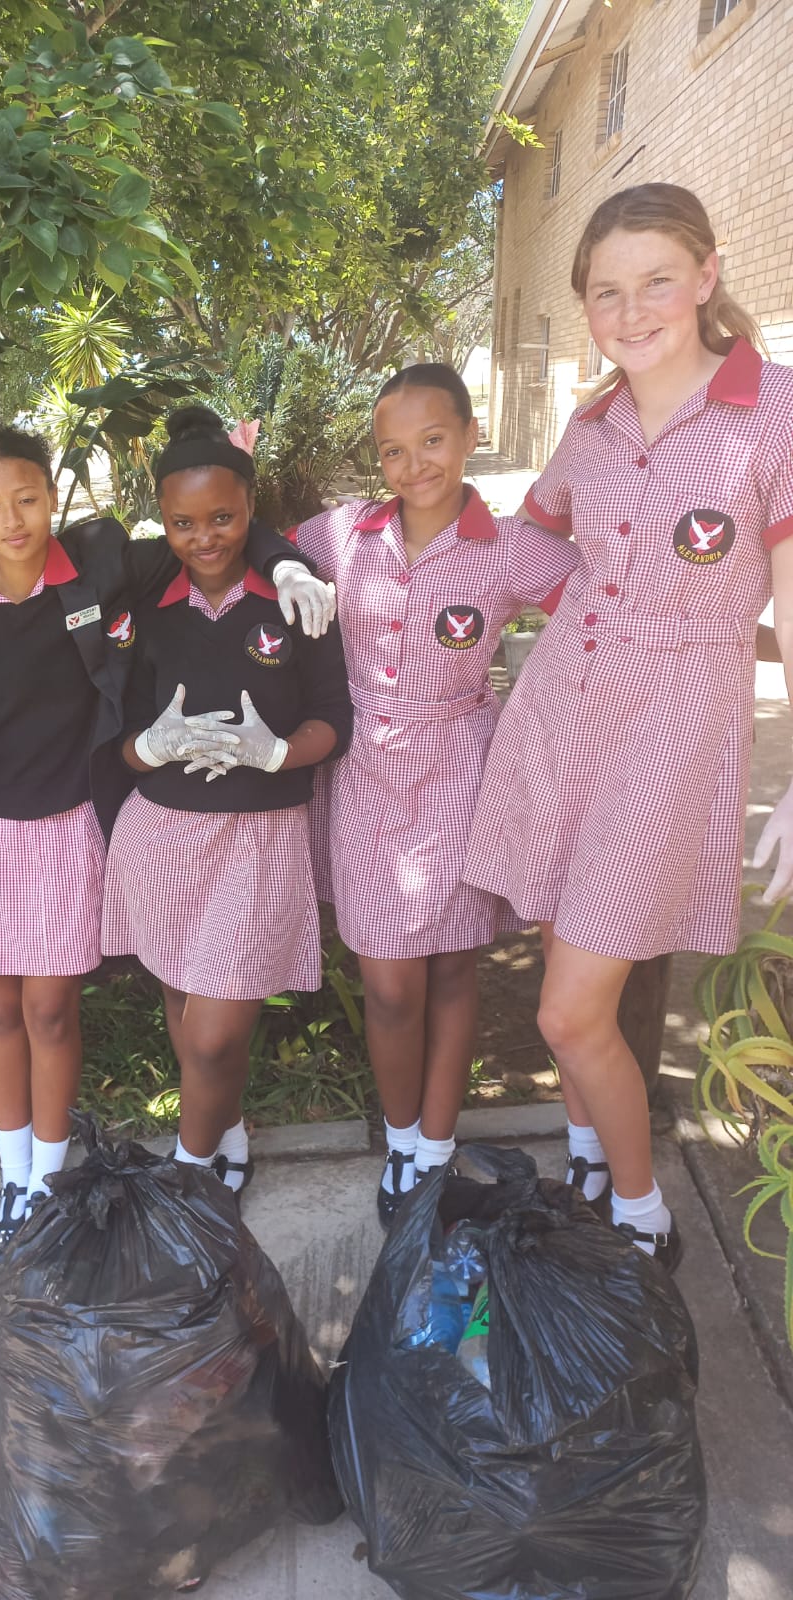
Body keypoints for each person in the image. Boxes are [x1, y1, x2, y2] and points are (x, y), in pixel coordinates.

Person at [463, 182, 793, 1268]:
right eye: (607, 292)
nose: (632, 309)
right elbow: (535, 538)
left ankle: (644, 1218)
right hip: (563, 714)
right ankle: (590, 1162)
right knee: (569, 968)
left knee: (568, 1012)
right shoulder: (593, 424)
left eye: (657, 280)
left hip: (675, 733)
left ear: (706, 275)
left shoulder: (774, 411)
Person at [0, 425, 333, 1263]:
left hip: (76, 816)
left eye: (27, 498)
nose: (12, 520)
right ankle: (19, 1178)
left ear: (53, 496)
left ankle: (85, 1180)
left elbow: (212, 525)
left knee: (62, 1011)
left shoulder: (102, 562)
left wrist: (288, 563)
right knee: (9, 1013)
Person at [293, 366, 579, 1226]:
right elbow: (260, 551)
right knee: (388, 984)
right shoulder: (345, 534)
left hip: (461, 769)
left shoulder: (509, 545)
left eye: (432, 441)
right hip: (363, 774)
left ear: (468, 435)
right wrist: (282, 570)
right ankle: (401, 1141)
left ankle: (437, 1151)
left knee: (455, 967)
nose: (414, 464)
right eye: (393, 450)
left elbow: (599, 608)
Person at [101, 406, 353, 1194]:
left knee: (214, 1038)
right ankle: (225, 1137)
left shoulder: (297, 596)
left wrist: (275, 752)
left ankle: (185, 1184)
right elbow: (116, 738)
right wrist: (153, 745)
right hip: (160, 838)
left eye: (223, 517)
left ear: (251, 507)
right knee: (185, 1006)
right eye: (183, 522)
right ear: (161, 519)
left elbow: (334, 720)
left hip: (258, 842)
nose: (204, 537)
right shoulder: (146, 598)